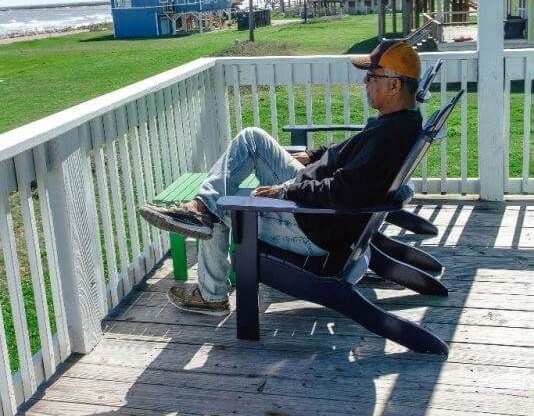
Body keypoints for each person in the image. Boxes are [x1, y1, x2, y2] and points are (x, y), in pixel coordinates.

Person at [139, 39, 422, 316]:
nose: (365, 83)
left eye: (371, 76)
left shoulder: (390, 137)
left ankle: (210, 291)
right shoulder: (398, 123)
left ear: (394, 85)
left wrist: (285, 192)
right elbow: (348, 150)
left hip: (311, 222)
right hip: (314, 203)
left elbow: (344, 190)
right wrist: (312, 156)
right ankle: (200, 207)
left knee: (224, 204)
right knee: (251, 139)